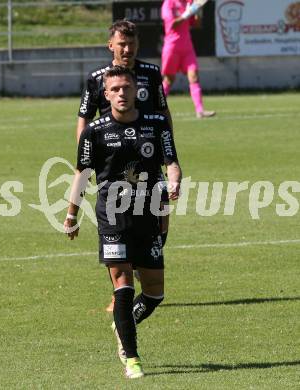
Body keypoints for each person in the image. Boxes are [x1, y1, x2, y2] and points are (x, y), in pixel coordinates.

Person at [64, 66, 182, 378]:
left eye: (125, 88)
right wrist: (71, 214)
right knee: (123, 286)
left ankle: (123, 325)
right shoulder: (95, 131)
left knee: (155, 293)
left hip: (149, 215)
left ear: (136, 92)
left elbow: (172, 162)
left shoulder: (156, 125)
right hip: (112, 218)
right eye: (114, 89)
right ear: (106, 94)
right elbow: (82, 174)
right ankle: (132, 358)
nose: (120, 94)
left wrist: (174, 181)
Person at [78, 19, 172, 312]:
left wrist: (170, 157)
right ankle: (121, 290)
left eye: (131, 44)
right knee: (119, 223)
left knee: (158, 222)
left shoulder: (151, 74)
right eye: (122, 44)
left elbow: (163, 112)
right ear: (111, 46)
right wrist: (84, 154)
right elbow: (84, 116)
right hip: (114, 163)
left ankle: (144, 278)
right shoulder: (97, 78)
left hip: (150, 158)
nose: (127, 49)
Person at [161, 0, 216, 118]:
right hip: (172, 47)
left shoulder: (189, 2)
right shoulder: (168, 3)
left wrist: (197, 12)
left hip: (187, 48)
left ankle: (200, 111)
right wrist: (189, 12)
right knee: (169, 79)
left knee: (194, 76)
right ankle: (157, 108)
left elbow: (197, 24)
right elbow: (173, 24)